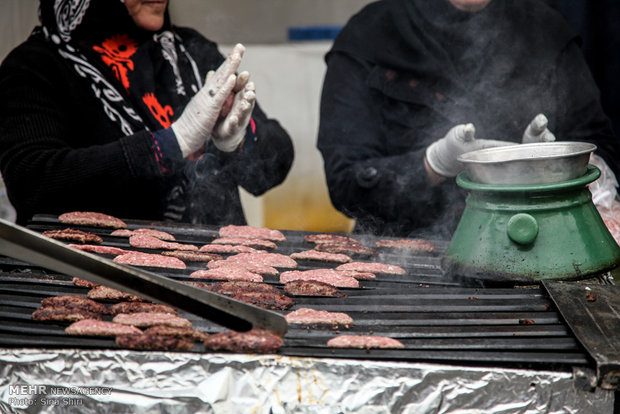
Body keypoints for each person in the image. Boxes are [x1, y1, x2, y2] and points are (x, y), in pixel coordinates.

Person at [317, 0, 620, 238]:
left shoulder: (544, 30)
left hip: (531, 247)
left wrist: (551, 167)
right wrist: (432, 164)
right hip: (402, 256)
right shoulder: (370, 34)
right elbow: (345, 185)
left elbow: (600, 148)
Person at [0, 0, 294, 226]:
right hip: (106, 280)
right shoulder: (35, 66)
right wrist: (169, 144)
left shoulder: (189, 52)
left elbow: (272, 170)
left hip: (222, 277)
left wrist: (239, 140)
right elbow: (32, 183)